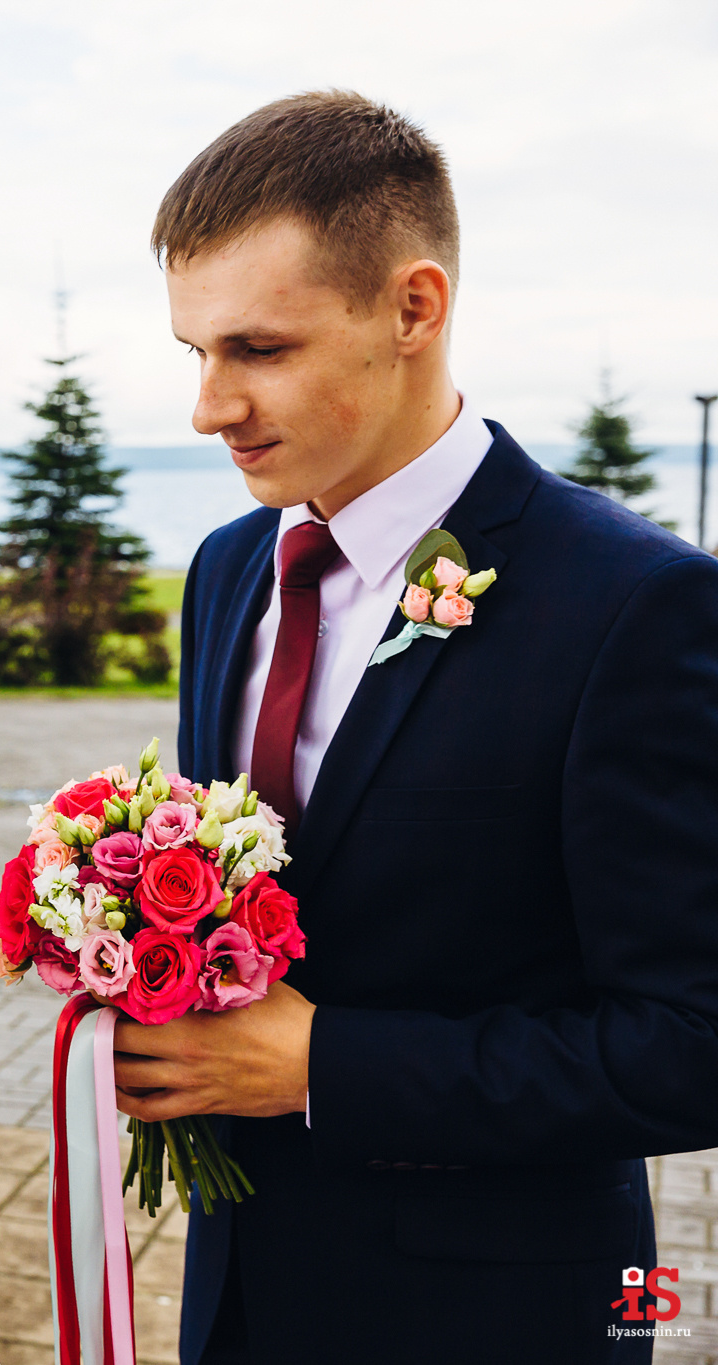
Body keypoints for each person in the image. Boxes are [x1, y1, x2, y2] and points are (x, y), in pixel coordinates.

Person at [125, 92, 718, 1364]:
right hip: (238, 1294)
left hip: (495, 1315)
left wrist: (322, 1067)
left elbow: (690, 1047)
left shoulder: (635, 605)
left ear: (412, 307)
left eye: (257, 349)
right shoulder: (225, 570)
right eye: (194, 352)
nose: (208, 407)